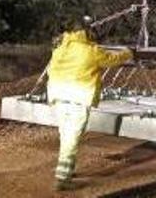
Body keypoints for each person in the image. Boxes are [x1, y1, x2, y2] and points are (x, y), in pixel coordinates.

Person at [46, 15, 133, 191]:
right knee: (72, 138)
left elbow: (51, 69)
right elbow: (112, 59)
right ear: (85, 32)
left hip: (57, 96)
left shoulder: (60, 48)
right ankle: (63, 178)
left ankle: (67, 169)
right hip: (78, 98)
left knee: (65, 134)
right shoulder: (90, 51)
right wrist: (128, 53)